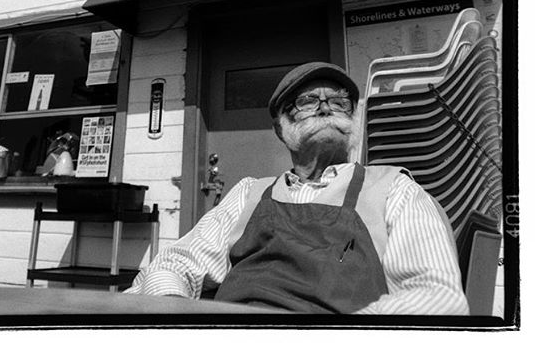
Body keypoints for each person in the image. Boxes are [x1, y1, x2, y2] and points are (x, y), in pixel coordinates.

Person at [126, 62, 469, 315]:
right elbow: (172, 265)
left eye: (338, 101)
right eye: (307, 100)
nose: (324, 107)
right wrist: (177, 319)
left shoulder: (394, 189)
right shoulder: (249, 192)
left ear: (353, 120)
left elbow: (437, 297)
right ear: (281, 128)